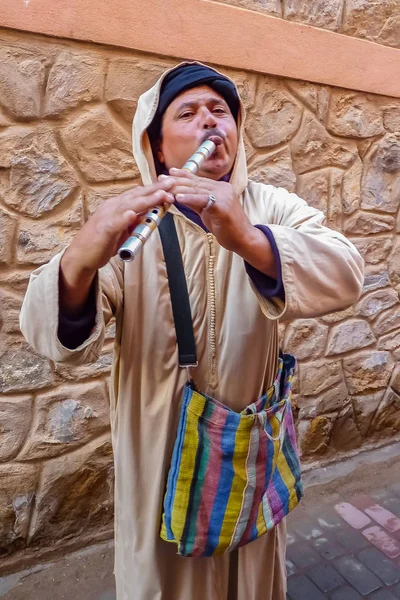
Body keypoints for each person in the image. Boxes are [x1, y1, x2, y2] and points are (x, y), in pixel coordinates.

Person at [20, 62, 364, 600]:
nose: (210, 122)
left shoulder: (269, 206)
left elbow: (346, 272)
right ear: (157, 148)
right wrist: (79, 260)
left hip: (248, 452)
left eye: (220, 111)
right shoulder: (132, 221)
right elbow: (51, 341)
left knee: (249, 581)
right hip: (160, 452)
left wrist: (249, 238)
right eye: (188, 112)